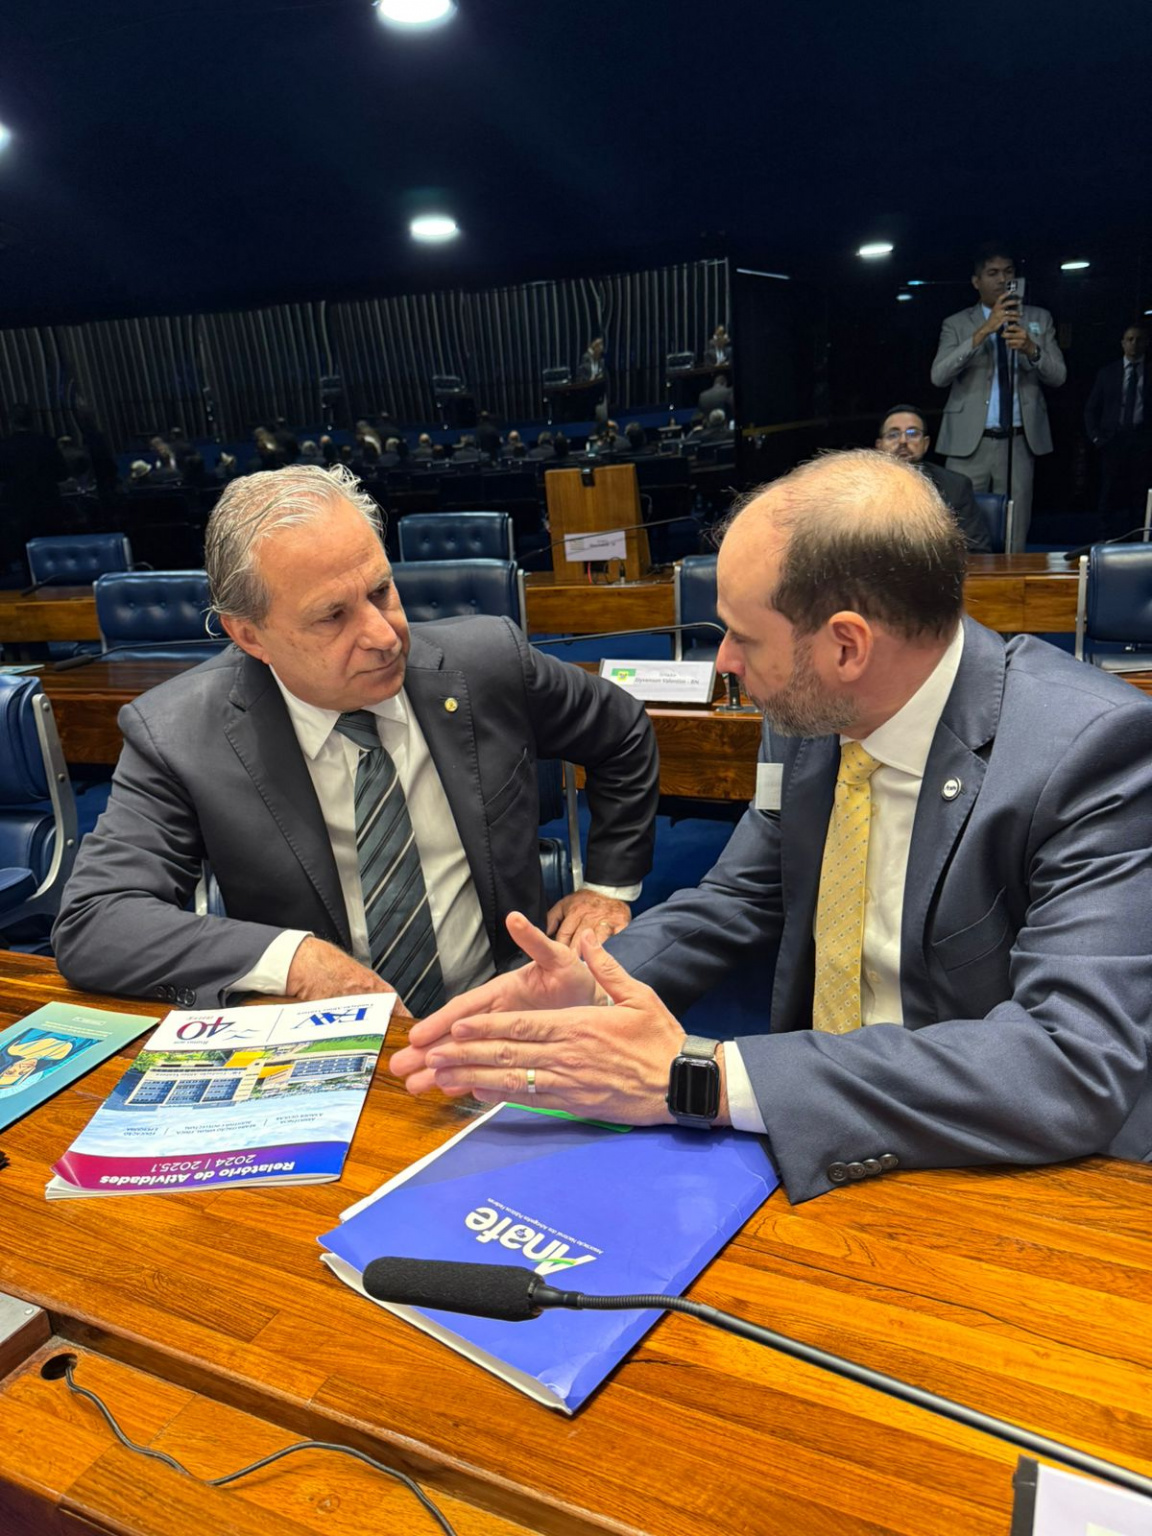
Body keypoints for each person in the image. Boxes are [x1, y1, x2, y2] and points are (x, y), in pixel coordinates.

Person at [391, 449, 1152, 1204]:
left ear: (847, 645)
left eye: (743, 638)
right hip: (803, 1130)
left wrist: (705, 1078)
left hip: (992, 1162)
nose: (724, 661)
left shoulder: (1094, 752)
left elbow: (1067, 1061)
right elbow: (743, 894)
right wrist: (596, 981)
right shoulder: (809, 714)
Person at [53, 464, 660, 1010]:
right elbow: (97, 920)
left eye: (380, 591)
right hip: (324, 1038)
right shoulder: (180, 734)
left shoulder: (487, 663)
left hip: (510, 1008)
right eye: (332, 616)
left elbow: (623, 731)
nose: (384, 636)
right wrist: (297, 962)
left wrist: (606, 887)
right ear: (250, 636)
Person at [930, 243, 1065, 548]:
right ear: (976, 281)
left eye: (1008, 272)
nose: (1002, 279)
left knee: (1015, 527)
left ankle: (1012, 575)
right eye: (992, 273)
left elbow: (1059, 376)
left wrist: (1031, 349)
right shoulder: (956, 323)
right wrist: (983, 332)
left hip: (1018, 442)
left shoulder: (1038, 318)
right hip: (969, 443)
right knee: (959, 527)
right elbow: (939, 376)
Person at [875, 404, 991, 552]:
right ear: (879, 445)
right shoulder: (862, 487)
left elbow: (976, 549)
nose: (903, 441)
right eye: (893, 435)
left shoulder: (956, 486)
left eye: (912, 433)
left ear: (926, 443)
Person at [1084, 323, 1151, 535]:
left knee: (1140, 494)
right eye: (1130, 339)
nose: (1134, 344)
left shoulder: (1150, 373)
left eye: (1139, 339)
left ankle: (1139, 538)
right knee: (1108, 492)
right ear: (1122, 343)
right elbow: (1091, 409)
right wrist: (1096, 438)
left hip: (1142, 440)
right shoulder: (1108, 373)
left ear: (1146, 343)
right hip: (1112, 440)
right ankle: (1104, 537)